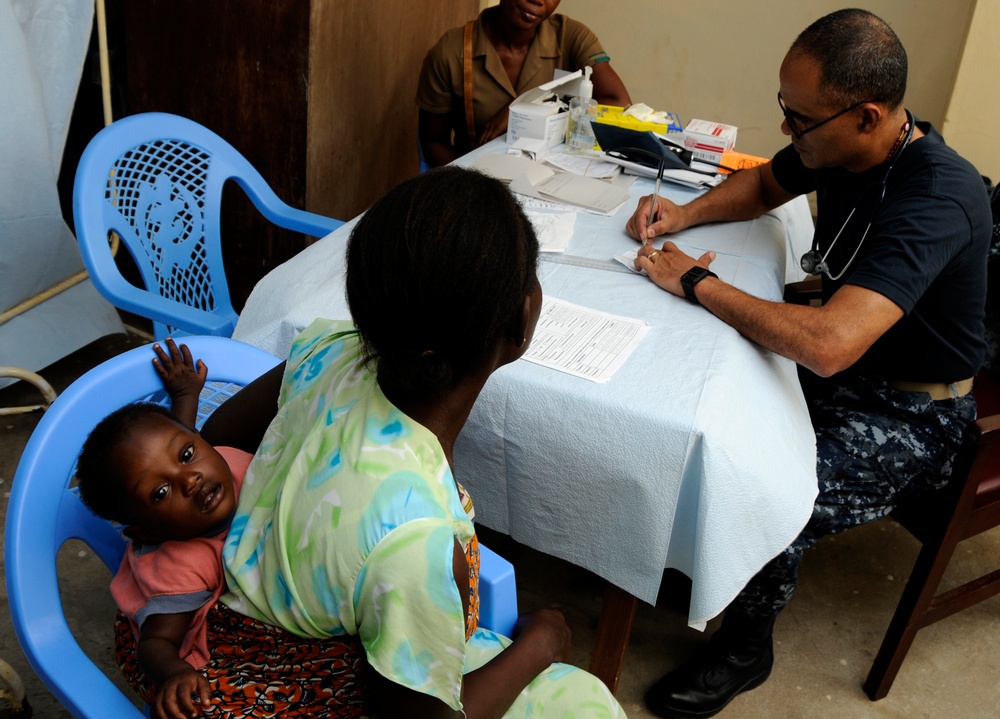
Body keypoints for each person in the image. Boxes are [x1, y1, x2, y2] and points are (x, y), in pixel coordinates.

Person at [111, 167, 625, 718]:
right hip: (285, 675)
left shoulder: (327, 350)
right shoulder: (414, 544)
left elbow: (217, 437)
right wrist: (539, 646)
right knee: (586, 702)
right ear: (523, 320)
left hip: (252, 604)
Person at [623, 9, 992, 718]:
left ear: (867, 115)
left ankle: (746, 648)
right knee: (708, 405)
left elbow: (828, 344)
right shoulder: (844, 148)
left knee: (767, 485)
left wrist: (695, 281)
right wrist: (681, 217)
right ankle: (697, 562)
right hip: (853, 369)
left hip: (915, 412)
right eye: (784, 111)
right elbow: (765, 185)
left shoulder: (939, 195)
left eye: (800, 119)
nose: (787, 131)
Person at [77, 339, 252, 719]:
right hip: (172, 632)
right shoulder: (182, 565)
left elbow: (176, 445)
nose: (189, 479)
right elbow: (157, 641)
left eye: (188, 454)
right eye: (159, 492)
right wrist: (174, 673)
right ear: (149, 534)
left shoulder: (218, 463)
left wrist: (186, 393)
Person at [416, 0, 631, 167]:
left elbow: (619, 101)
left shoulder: (570, 37)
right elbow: (433, 142)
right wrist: (468, 183)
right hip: (479, 180)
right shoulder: (452, 53)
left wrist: (529, 107)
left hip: (553, 178)